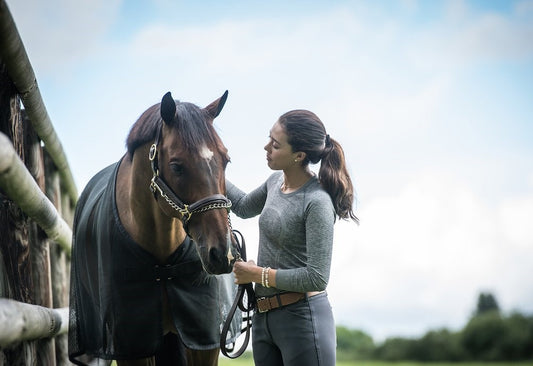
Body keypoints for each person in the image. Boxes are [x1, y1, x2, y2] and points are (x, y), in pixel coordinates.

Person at [226, 109, 358, 366]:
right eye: (269, 139)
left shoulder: (317, 201)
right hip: (263, 320)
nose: (266, 148)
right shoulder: (274, 182)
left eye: (275, 145)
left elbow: (317, 277)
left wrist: (256, 275)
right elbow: (241, 206)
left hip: (302, 321)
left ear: (299, 156)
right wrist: (205, 167)